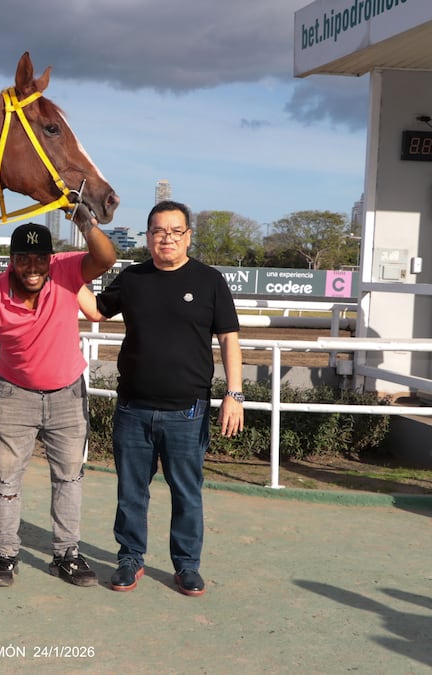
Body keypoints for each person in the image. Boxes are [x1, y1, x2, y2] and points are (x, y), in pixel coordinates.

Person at [0, 221, 117, 588]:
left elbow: (106, 257)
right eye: (24, 259)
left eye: (40, 258)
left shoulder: (66, 270)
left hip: (67, 395)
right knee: (7, 479)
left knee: (69, 477)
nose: (33, 267)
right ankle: (5, 554)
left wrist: (86, 223)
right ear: (11, 260)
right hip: (14, 397)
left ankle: (66, 554)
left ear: (50, 259)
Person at [92, 199, 244, 597]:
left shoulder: (210, 281)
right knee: (130, 491)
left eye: (175, 231)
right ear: (147, 237)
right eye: (159, 231)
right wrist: (63, 277)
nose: (167, 239)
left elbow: (229, 339)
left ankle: (187, 566)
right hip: (132, 408)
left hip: (187, 412)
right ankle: (129, 559)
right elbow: (94, 311)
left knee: (187, 494)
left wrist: (235, 394)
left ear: (188, 236)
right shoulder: (132, 278)